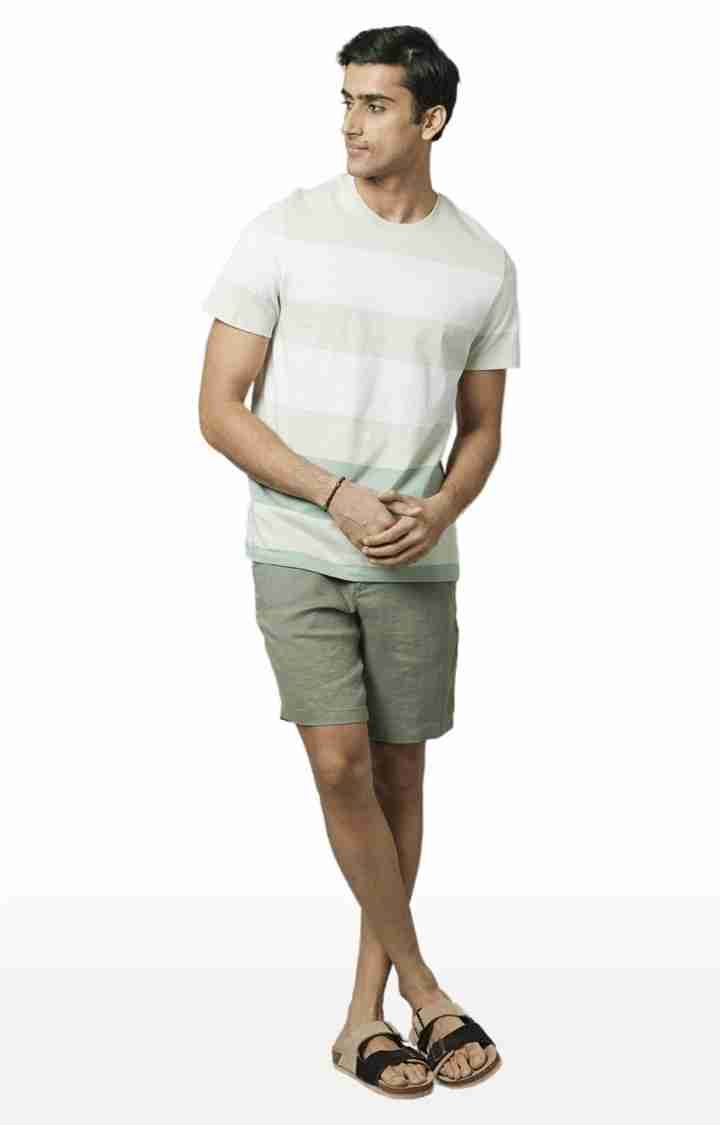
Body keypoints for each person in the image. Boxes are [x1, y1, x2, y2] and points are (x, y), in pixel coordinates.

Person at [198, 25, 520, 1098]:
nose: (351, 121)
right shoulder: (282, 230)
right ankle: (426, 987)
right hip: (299, 545)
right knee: (339, 765)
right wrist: (334, 493)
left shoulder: (482, 261)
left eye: (376, 103)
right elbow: (219, 409)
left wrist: (441, 509)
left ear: (432, 120)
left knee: (400, 775)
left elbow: (483, 429)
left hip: (415, 559)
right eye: (346, 99)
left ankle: (361, 1018)